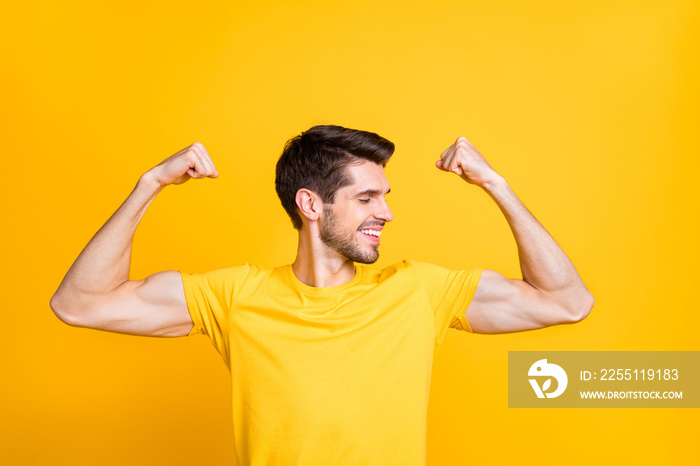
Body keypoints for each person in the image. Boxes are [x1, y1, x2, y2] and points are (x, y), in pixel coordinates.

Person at [50, 125, 593, 465]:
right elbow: (81, 303)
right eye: (367, 198)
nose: (387, 212)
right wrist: (151, 184)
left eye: (385, 196)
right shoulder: (235, 296)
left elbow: (567, 302)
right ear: (312, 206)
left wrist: (495, 183)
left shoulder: (420, 290)